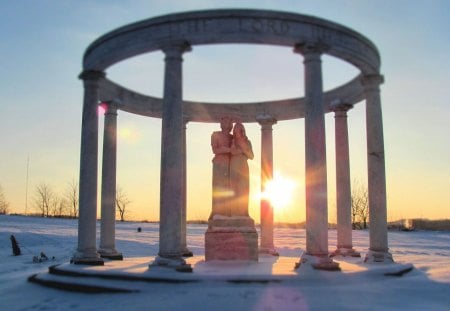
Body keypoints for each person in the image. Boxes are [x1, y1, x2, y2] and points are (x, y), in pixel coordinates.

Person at [210, 116, 233, 218]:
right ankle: (217, 212)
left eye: (228, 122)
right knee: (218, 188)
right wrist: (229, 150)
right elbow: (215, 150)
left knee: (229, 188)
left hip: (230, 165)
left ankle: (227, 212)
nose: (226, 125)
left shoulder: (233, 137)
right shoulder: (215, 135)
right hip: (219, 164)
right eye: (224, 122)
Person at [229, 122, 254, 216]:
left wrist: (243, 149)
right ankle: (234, 213)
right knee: (233, 189)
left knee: (243, 190)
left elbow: (251, 156)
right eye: (235, 130)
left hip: (243, 166)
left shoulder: (247, 142)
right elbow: (230, 152)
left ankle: (243, 213)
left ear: (242, 130)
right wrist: (235, 150)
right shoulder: (232, 141)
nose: (237, 132)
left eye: (239, 129)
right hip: (233, 165)